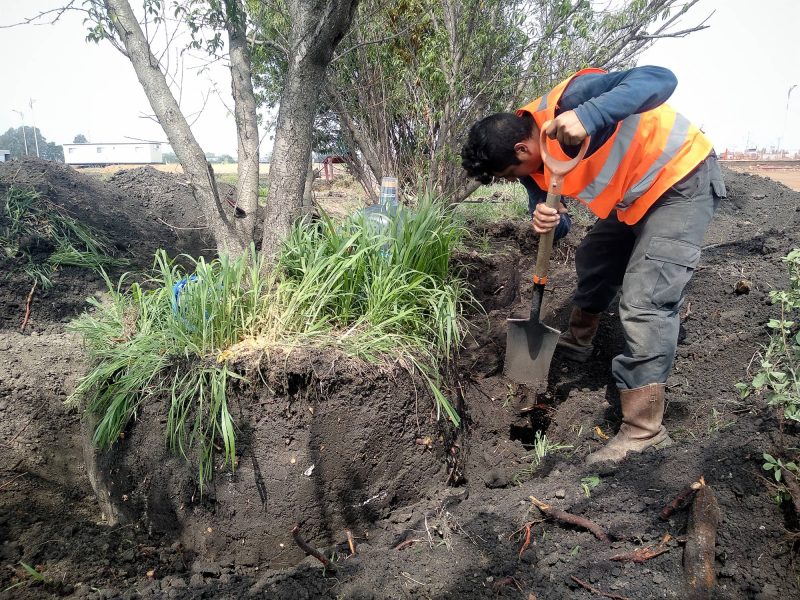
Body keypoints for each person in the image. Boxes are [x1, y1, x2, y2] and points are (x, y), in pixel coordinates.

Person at [460, 66, 727, 464]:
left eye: (514, 173)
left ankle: (644, 430)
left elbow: (660, 79)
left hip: (680, 180)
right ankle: (579, 339)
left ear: (521, 150)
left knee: (645, 300)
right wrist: (546, 219)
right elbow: (557, 219)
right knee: (595, 258)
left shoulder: (577, 97)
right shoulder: (533, 166)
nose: (521, 178)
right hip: (632, 197)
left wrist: (590, 116)